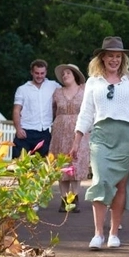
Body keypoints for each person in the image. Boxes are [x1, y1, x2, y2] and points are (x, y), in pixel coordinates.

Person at [72, 37, 129, 251]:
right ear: (102, 57)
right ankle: (98, 234)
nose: (114, 59)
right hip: (101, 136)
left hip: (126, 136)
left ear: (122, 58)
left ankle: (114, 232)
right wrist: (76, 141)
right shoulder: (93, 82)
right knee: (101, 180)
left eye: (118, 56)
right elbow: (86, 112)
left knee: (120, 186)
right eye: (110, 55)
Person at [50, 64, 90, 212]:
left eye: (68, 73)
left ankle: (75, 197)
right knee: (62, 165)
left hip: (79, 130)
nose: (65, 76)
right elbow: (53, 111)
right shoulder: (57, 92)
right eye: (63, 74)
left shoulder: (84, 90)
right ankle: (63, 199)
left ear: (75, 75)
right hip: (60, 132)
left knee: (77, 163)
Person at [12, 59, 60, 158]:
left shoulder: (53, 86)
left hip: (44, 132)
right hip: (25, 132)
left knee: (42, 167)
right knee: (20, 165)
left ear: (46, 72)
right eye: (37, 73)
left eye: (42, 73)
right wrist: (18, 129)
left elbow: (67, 92)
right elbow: (16, 110)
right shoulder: (22, 89)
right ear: (32, 72)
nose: (39, 76)